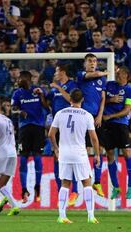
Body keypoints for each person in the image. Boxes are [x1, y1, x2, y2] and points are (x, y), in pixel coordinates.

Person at [49, 88, 100, 224]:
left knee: (65, 184)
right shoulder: (87, 115)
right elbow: (94, 138)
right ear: (82, 99)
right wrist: (97, 154)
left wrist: (55, 148)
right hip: (79, 154)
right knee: (87, 183)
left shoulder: (60, 113)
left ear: (70, 99)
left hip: (64, 154)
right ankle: (90, 216)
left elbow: (51, 134)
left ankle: (62, 216)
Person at [11, 70, 48, 203]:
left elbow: (47, 107)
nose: (19, 81)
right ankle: (24, 189)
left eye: (21, 79)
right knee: (23, 159)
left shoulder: (39, 90)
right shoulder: (17, 93)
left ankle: (37, 186)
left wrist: (42, 96)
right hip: (24, 129)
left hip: (38, 127)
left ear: (28, 79)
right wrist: (20, 111)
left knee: (38, 158)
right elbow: (13, 109)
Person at [46, 64, 79, 206]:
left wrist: (59, 88)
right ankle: (62, 193)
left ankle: (75, 192)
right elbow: (48, 102)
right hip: (58, 124)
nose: (55, 74)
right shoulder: (54, 88)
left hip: (71, 125)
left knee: (73, 158)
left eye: (57, 71)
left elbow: (72, 100)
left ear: (63, 72)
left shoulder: (72, 85)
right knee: (57, 158)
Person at [102, 67, 131, 199]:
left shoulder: (129, 90)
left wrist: (111, 116)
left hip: (121, 124)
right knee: (109, 154)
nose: (117, 74)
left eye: (120, 72)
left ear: (126, 75)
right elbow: (101, 101)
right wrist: (111, 100)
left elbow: (127, 110)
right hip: (107, 125)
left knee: (126, 152)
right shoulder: (109, 85)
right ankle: (116, 187)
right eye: (116, 72)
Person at [76, 53, 107, 197]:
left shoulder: (102, 79)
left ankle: (98, 181)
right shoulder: (81, 75)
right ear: (85, 64)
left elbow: (102, 98)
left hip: (96, 118)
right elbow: (90, 75)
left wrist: (100, 115)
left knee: (99, 148)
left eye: (94, 61)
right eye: (90, 61)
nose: (92, 63)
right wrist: (105, 72)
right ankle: (81, 183)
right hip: (82, 117)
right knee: (84, 150)